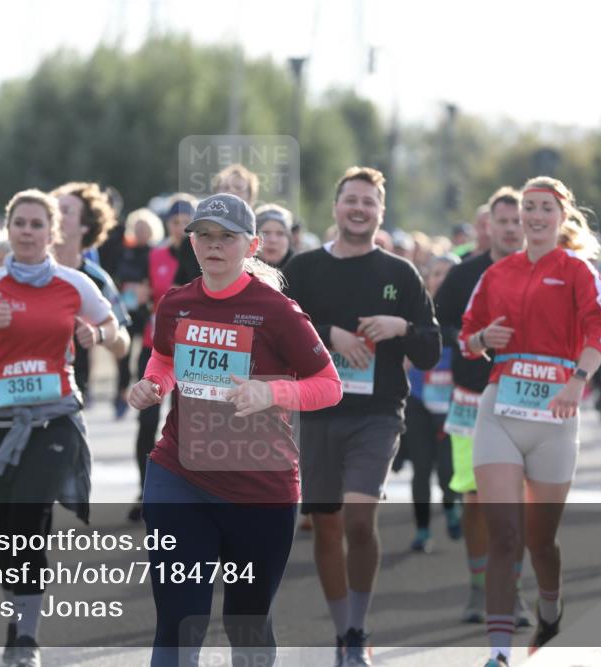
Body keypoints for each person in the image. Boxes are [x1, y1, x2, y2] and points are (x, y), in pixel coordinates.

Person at [128, 193, 342, 667]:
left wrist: (272, 394)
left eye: (227, 236)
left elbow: (329, 386)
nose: (214, 245)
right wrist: (153, 384)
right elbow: (164, 358)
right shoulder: (177, 304)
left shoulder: (277, 311)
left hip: (259, 487)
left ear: (252, 245)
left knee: (247, 624)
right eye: (204, 234)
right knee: (179, 620)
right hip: (179, 473)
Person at [0, 188, 118, 667]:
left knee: (32, 516)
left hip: (53, 419)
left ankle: (26, 637)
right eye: (21, 223)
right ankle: (17, 618)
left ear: (52, 232)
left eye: (38, 224)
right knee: (10, 530)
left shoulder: (75, 284)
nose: (29, 232)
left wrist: (96, 334)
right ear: (8, 229)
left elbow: (118, 340)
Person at [283, 166, 442, 666]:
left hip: (378, 411)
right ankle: (342, 630)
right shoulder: (304, 269)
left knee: (358, 515)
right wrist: (330, 333)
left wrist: (401, 326)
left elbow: (433, 349)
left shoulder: (400, 274)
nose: (359, 209)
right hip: (317, 411)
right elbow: (277, 335)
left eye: (368, 202)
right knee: (326, 525)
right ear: (335, 208)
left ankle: (358, 629)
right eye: (351, 200)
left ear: (380, 212)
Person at [460, 176, 601, 666]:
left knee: (539, 540)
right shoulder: (497, 273)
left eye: (545, 207)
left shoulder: (578, 271)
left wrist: (577, 380)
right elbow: (467, 339)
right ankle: (499, 653)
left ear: (562, 216)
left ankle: (550, 610)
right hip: (499, 410)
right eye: (529, 207)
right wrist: (484, 337)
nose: (535, 216)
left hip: (555, 415)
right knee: (504, 535)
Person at [434, 186, 531, 627]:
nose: (511, 229)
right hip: (472, 399)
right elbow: (439, 325)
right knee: (473, 499)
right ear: (488, 226)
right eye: (503, 221)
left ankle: (512, 590)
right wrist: (474, 337)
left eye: (518, 221)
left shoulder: (543, 272)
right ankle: (478, 588)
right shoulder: (464, 274)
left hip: (524, 400)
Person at [129, 194, 196, 522]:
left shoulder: (203, 254)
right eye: (175, 222)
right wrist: (141, 300)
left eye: (187, 222)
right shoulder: (154, 256)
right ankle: (145, 491)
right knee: (146, 420)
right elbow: (140, 299)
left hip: (195, 348)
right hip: (155, 346)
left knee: (186, 419)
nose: (181, 227)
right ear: (167, 224)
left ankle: (186, 493)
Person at [52, 181, 132, 401]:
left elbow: (123, 343)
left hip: (70, 396)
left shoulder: (96, 280)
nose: (56, 216)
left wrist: (99, 334)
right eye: (52, 209)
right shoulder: (27, 272)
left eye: (65, 211)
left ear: (85, 226)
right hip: (19, 393)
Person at [405, 253, 461, 554]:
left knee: (449, 470)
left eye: (448, 273)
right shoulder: (415, 309)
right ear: (427, 279)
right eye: (437, 273)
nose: (442, 279)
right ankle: (423, 530)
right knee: (421, 468)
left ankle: (452, 508)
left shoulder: (466, 311)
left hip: (454, 403)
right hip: (417, 400)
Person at [173, 163, 260, 285]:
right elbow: (178, 285)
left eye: (238, 187)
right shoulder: (190, 241)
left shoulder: (267, 238)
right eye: (225, 187)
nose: (230, 191)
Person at [112, 208, 162, 418]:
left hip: (147, 311)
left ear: (152, 231)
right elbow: (117, 275)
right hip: (127, 309)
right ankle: (121, 392)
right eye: (138, 228)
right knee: (123, 355)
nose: (141, 232)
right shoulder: (125, 250)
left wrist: (147, 290)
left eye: (145, 229)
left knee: (146, 356)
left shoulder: (156, 253)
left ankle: (143, 394)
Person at [255, 203, 295, 270]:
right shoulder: (237, 273)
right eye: (265, 233)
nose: (273, 240)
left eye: (280, 233)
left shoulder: (302, 272)